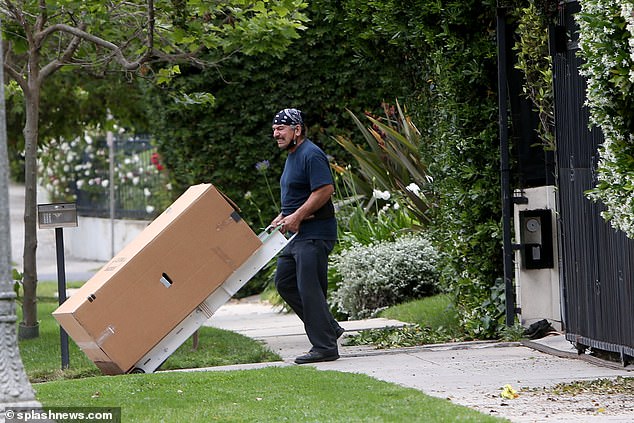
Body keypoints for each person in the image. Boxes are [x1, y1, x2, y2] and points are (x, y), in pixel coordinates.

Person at [269, 108, 344, 364]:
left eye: (281, 129)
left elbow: (324, 190)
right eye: (275, 129)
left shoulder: (311, 154)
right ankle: (329, 327)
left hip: (314, 233)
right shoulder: (293, 155)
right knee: (285, 282)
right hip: (297, 236)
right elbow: (300, 192)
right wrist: (284, 215)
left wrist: (297, 216)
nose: (276, 134)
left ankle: (325, 347)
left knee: (310, 289)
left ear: (297, 130)